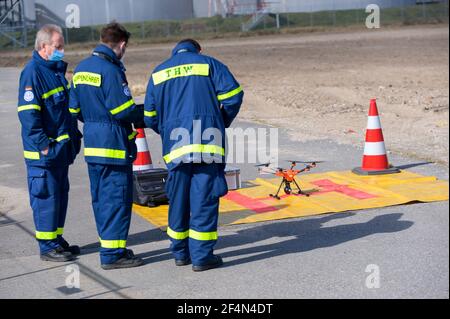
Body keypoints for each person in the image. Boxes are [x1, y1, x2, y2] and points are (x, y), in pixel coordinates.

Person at [144, 39, 244, 271]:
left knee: (177, 200)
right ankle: (201, 257)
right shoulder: (209, 64)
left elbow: (149, 116)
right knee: (204, 199)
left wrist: (168, 131)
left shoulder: (159, 72)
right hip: (206, 144)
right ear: (198, 50)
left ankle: (180, 253)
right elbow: (233, 96)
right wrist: (221, 121)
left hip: (175, 147)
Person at [69, 22, 144, 270]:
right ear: (121, 44)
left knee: (101, 200)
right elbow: (123, 110)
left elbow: (74, 109)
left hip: (93, 145)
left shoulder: (80, 69)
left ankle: (112, 247)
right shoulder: (111, 70)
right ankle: (112, 255)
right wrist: (147, 115)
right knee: (116, 200)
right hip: (113, 146)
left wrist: (94, 121)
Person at [18, 24, 82, 262]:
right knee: (46, 198)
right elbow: (28, 116)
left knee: (59, 196)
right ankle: (47, 246)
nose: (62, 50)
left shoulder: (55, 72)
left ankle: (56, 239)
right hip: (44, 153)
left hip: (59, 152)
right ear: (43, 47)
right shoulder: (33, 72)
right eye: (58, 46)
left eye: (62, 45)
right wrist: (45, 145)